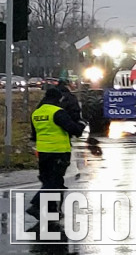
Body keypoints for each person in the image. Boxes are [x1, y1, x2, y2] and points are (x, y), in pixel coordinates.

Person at [27, 86, 86, 221]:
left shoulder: (36, 113)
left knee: (49, 180)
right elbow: (74, 130)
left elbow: (34, 135)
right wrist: (82, 124)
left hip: (42, 152)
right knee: (54, 182)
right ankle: (36, 205)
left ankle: (52, 211)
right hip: (58, 152)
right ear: (57, 99)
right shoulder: (58, 112)